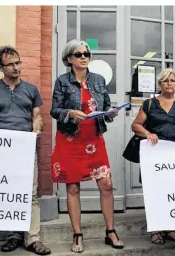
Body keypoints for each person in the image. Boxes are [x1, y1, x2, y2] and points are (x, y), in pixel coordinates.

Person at [50, 39, 123, 253]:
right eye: (79, 54)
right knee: (73, 187)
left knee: (106, 184)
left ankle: (110, 231)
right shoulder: (62, 81)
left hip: (94, 139)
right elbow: (55, 110)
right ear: (69, 59)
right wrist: (70, 113)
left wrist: (111, 112)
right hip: (71, 140)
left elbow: (106, 106)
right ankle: (77, 234)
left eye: (86, 53)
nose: (84, 57)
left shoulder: (99, 80)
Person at [0, 46, 51, 255]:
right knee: (8, 193)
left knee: (30, 193)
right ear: (0, 67)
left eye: (18, 62)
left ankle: (33, 238)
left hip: (25, 147)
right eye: (10, 64)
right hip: (1, 149)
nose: (16, 67)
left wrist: (36, 129)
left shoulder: (31, 89)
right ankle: (13, 235)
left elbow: (37, 116)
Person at [131, 68, 175, 245]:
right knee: (154, 192)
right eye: (166, 81)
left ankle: (170, 229)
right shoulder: (150, 104)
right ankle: (155, 229)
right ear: (160, 84)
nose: (169, 84)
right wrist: (147, 133)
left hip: (174, 156)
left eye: (173, 81)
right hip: (154, 154)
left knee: (172, 191)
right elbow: (136, 125)